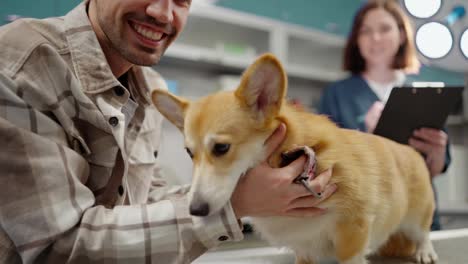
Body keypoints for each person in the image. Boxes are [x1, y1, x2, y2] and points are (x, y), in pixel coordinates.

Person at [0, 0, 337, 263]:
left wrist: (243, 188)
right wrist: (235, 204)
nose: (163, 13)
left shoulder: (150, 89)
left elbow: (145, 200)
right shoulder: (23, 62)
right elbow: (57, 249)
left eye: (182, 0)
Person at [319, 0, 450, 231]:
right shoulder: (337, 94)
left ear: (401, 35)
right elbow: (324, 165)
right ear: (356, 40)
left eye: (384, 28)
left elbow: (436, 168)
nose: (376, 38)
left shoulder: (427, 94)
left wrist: (437, 156)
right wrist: (368, 138)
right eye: (366, 31)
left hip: (417, 218)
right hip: (364, 219)